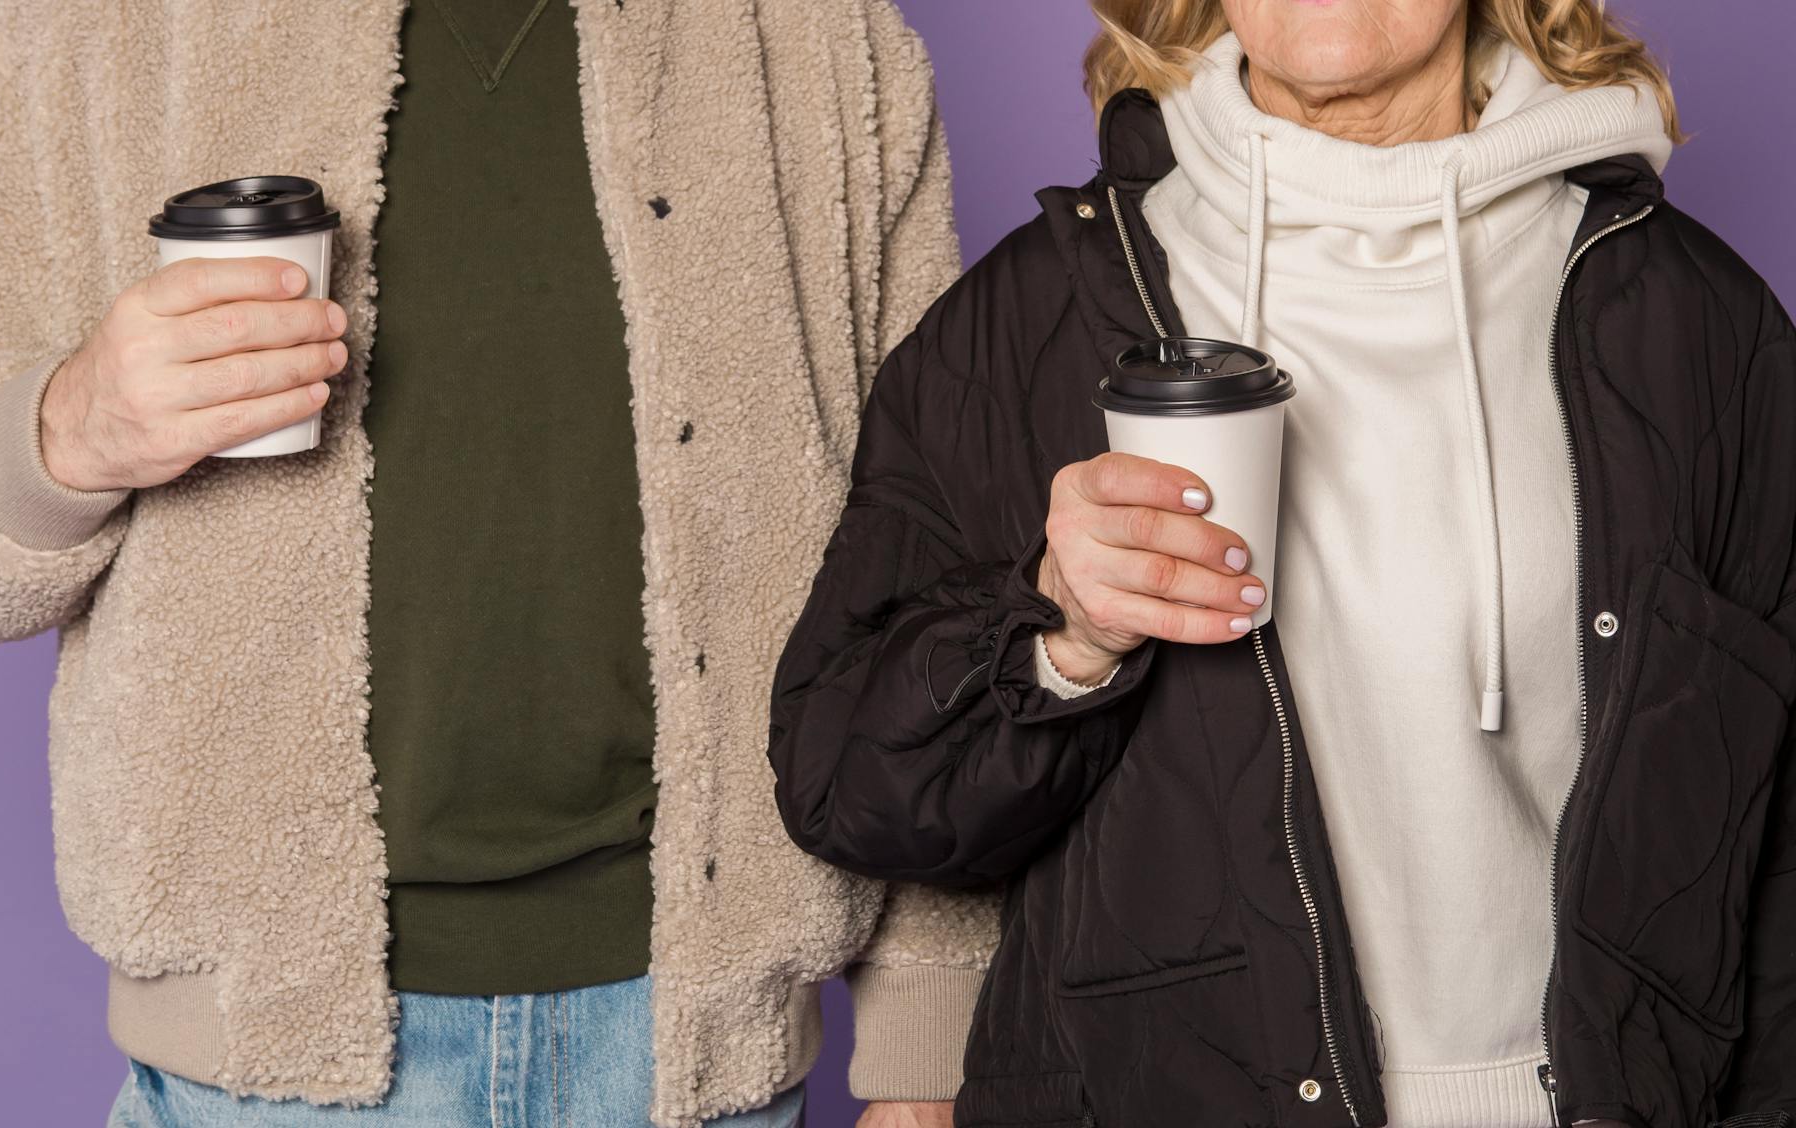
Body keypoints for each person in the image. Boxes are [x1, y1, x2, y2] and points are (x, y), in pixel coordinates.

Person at [0, 1, 995, 1125]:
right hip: (265, 1071)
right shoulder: (90, 24)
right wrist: (74, 425)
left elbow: (927, 549)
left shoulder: (811, 29)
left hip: (700, 1054)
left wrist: (925, 1041)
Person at [769, 0, 1795, 1125]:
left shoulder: (1701, 326)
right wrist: (1058, 632)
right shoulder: (1032, 316)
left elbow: (1772, 847)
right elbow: (851, 795)